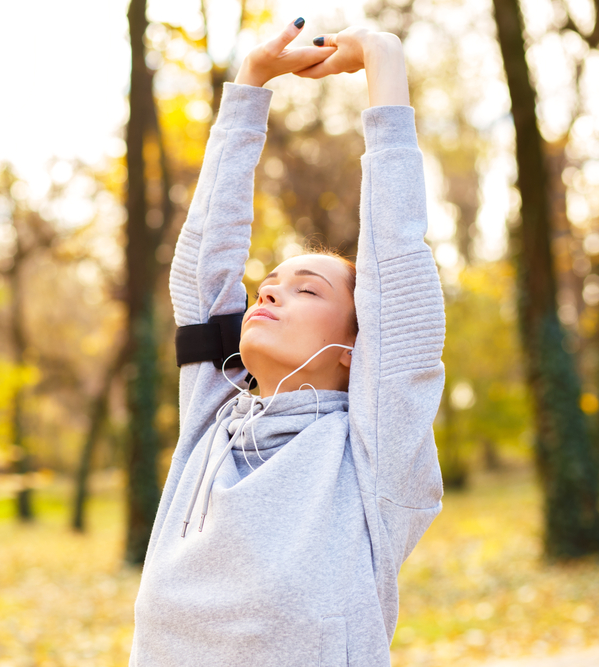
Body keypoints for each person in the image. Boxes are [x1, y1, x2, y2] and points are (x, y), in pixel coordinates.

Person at [130, 17, 445, 667]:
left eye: (307, 290)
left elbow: (398, 275)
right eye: (267, 285)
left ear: (356, 348)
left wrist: (383, 60)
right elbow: (203, 271)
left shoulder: (370, 456)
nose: (268, 294)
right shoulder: (211, 421)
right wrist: (249, 85)